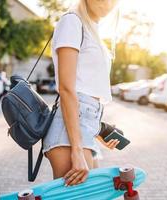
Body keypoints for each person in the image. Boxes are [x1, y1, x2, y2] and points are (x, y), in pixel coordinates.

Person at [42, 0, 120, 187]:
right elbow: (67, 89)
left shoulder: (91, 28)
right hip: (69, 136)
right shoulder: (72, 21)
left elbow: (86, 86)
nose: (108, 3)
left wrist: (98, 129)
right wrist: (76, 150)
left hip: (84, 128)